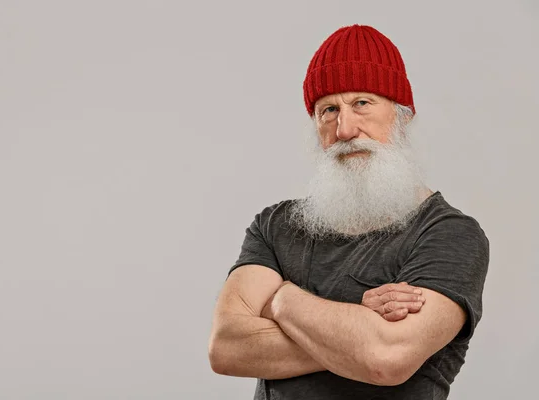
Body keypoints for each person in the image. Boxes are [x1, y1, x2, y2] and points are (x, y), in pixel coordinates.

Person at [208, 24, 490, 400]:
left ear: (403, 116)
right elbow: (226, 348)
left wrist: (281, 300)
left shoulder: (449, 234)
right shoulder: (275, 226)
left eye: (362, 103)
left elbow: (385, 358)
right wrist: (357, 322)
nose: (344, 129)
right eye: (328, 110)